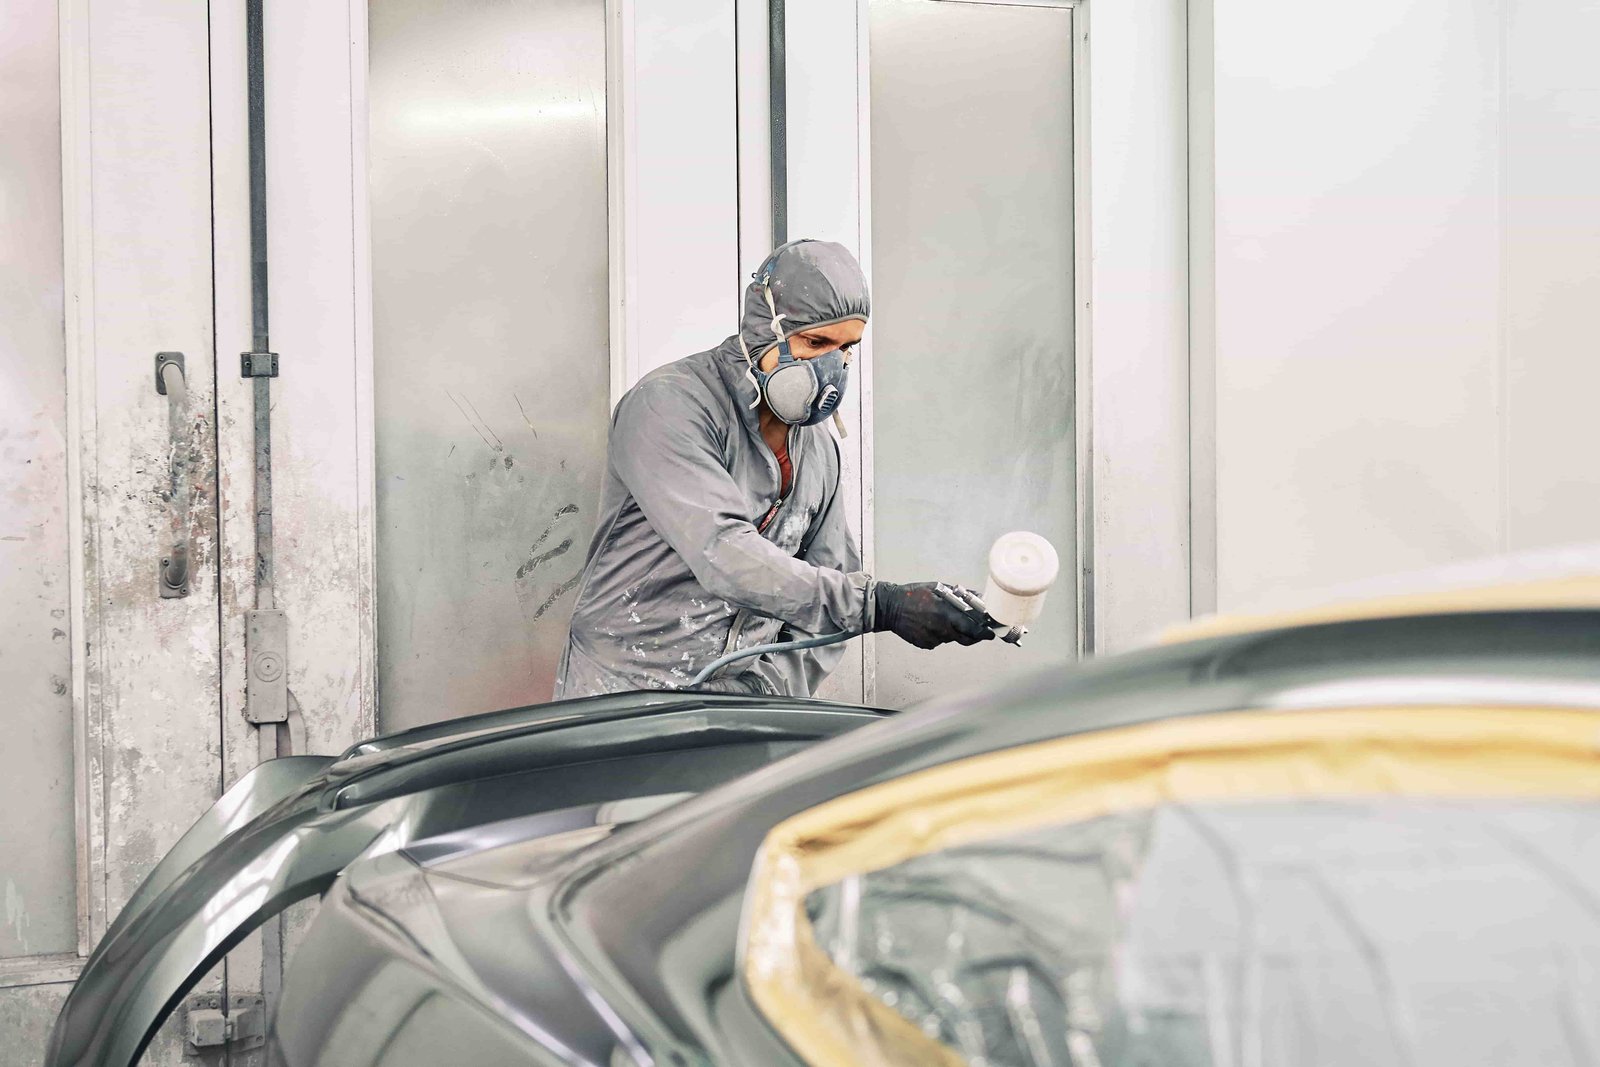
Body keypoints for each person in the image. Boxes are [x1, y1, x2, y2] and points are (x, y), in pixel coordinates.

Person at [554, 239, 993, 699]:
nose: (833, 368)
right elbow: (722, 552)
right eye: (816, 342)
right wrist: (878, 605)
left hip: (736, 710)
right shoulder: (670, 406)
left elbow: (826, 598)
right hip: (622, 697)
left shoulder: (819, 452)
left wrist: (767, 692)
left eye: (847, 349)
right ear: (765, 328)